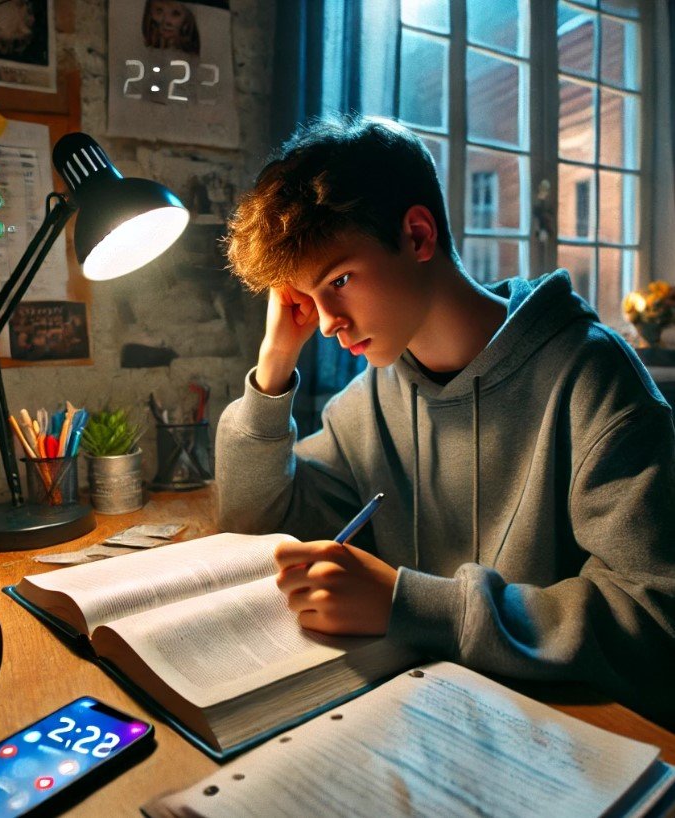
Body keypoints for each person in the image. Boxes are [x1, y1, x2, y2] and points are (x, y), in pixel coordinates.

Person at [215, 113, 675, 726]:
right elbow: (254, 525)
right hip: (426, 722)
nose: (325, 322)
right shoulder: (370, 401)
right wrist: (274, 362)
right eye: (306, 297)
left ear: (418, 234)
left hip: (571, 736)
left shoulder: (592, 378)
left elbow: (655, 619)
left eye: (340, 280)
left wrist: (413, 605)